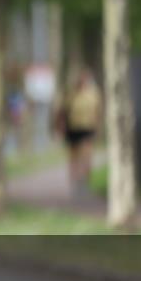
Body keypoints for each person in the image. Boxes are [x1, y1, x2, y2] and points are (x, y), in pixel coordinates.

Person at [56, 67, 101, 198]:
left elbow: (97, 111)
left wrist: (97, 127)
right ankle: (74, 182)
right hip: (73, 127)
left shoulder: (93, 94)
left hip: (87, 127)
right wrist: (61, 127)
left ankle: (85, 182)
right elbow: (63, 111)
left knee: (87, 156)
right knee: (74, 156)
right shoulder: (71, 94)